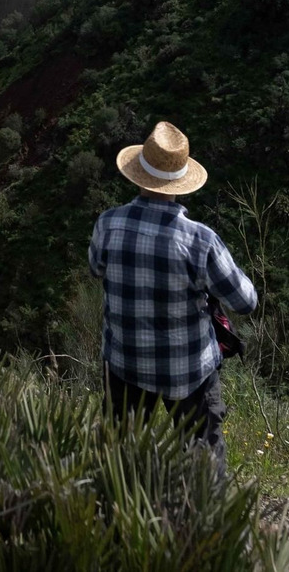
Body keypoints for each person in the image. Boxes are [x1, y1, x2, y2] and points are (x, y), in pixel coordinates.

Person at [88, 120, 257, 476]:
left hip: (124, 363)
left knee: (117, 458)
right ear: (181, 181)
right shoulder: (200, 240)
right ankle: (204, 508)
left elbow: (96, 268)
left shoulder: (108, 224)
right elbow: (245, 301)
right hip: (187, 370)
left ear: (138, 174)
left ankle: (116, 505)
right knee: (203, 463)